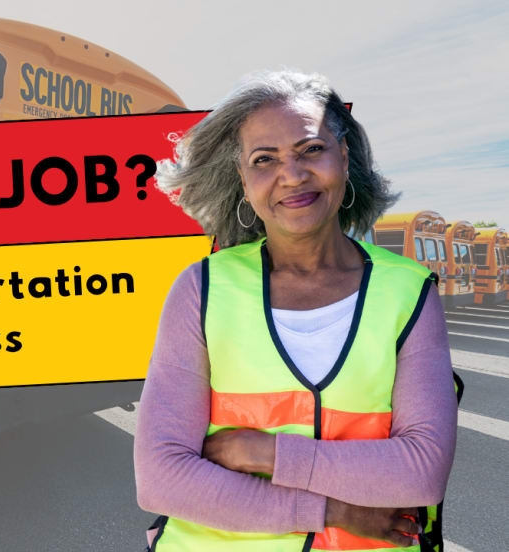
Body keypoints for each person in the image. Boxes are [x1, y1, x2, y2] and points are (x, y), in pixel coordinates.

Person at [134, 70, 458, 552]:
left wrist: (264, 453)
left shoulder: (408, 292)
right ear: (243, 181)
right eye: (265, 160)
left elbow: (421, 472)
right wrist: (331, 510)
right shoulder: (201, 289)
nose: (292, 174)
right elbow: (162, 479)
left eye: (310, 149)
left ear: (343, 159)